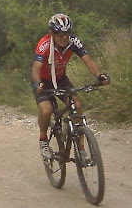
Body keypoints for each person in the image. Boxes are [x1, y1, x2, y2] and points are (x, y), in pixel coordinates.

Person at [30, 13, 109, 162]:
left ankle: (81, 150)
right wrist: (37, 83)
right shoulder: (45, 44)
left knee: (77, 105)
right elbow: (35, 68)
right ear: (52, 34)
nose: (64, 37)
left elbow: (88, 60)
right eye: (60, 34)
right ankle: (43, 140)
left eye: (67, 33)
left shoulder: (74, 42)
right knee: (46, 110)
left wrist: (99, 76)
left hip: (60, 79)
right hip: (43, 81)